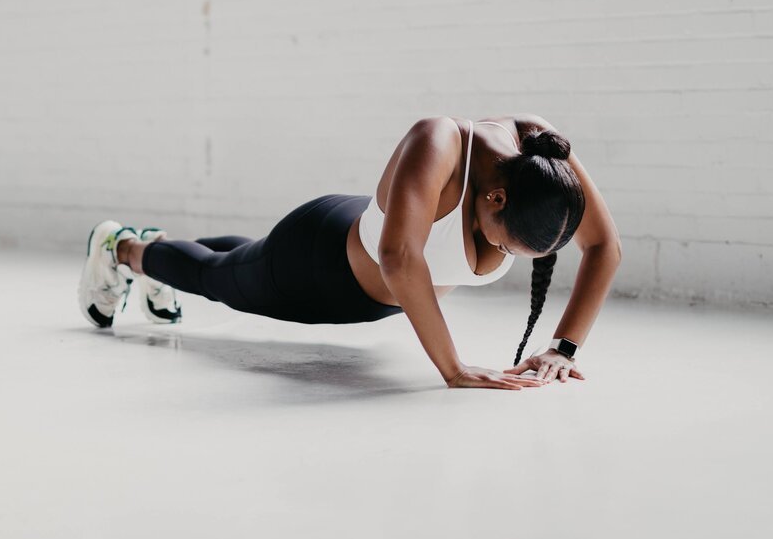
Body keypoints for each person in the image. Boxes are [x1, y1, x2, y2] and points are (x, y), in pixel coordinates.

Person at [76, 115, 622, 390]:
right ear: (494, 198)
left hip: (364, 275)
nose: (500, 254)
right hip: (318, 266)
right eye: (504, 243)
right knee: (221, 277)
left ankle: (157, 247)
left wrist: (564, 349)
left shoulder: (546, 162)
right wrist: (453, 369)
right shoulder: (440, 141)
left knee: (241, 256)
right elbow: (400, 260)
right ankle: (122, 249)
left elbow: (604, 246)